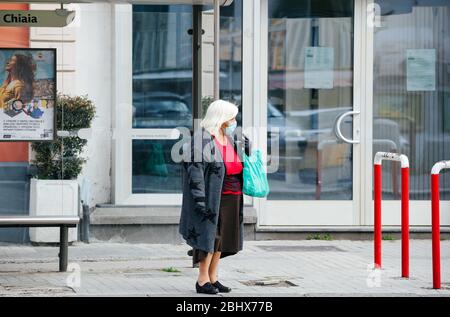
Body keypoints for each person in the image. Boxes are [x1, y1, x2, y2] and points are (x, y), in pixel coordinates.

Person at [179, 99, 250, 295]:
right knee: (209, 238)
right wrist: (200, 199)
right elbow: (195, 173)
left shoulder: (229, 137)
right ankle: (202, 280)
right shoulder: (202, 140)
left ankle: (213, 277)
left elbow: (238, 161)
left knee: (222, 239)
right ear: (221, 117)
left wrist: (246, 147)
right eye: (232, 117)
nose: (235, 120)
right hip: (212, 198)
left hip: (232, 195)